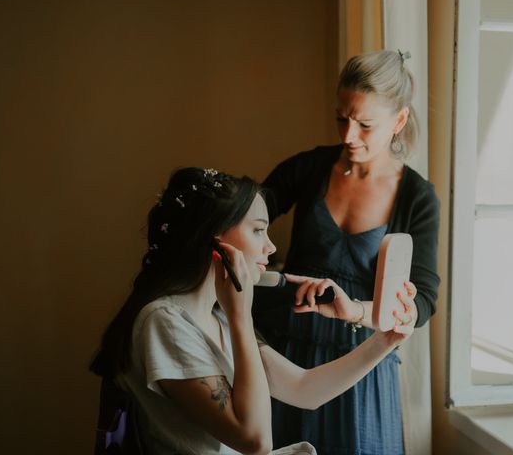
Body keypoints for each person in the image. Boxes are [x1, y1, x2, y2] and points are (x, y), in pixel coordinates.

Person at [90, 167, 416, 455]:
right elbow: (255, 442)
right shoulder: (164, 323)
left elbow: (305, 389)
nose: (271, 247)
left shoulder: (215, 315)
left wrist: (385, 341)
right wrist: (241, 315)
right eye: (259, 229)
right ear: (216, 240)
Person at [253, 49, 440, 454]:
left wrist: (388, 311)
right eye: (342, 118)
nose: (348, 135)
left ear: (399, 120)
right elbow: (244, 216)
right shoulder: (308, 168)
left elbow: (424, 296)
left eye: (365, 124)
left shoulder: (417, 196)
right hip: (290, 355)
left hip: (362, 365)